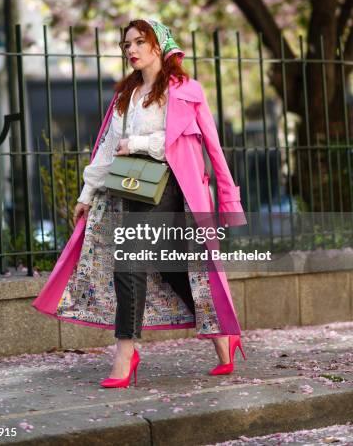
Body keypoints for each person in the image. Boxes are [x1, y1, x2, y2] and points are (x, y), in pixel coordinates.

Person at [32, 19, 247, 388]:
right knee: (173, 269)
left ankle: (125, 353)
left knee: (129, 260)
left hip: (171, 185)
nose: (130, 49)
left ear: (159, 46)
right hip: (129, 187)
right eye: (126, 44)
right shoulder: (126, 95)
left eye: (139, 42)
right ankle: (223, 336)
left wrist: (228, 199)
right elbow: (105, 147)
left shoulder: (185, 90)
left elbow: (202, 144)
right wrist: (86, 194)